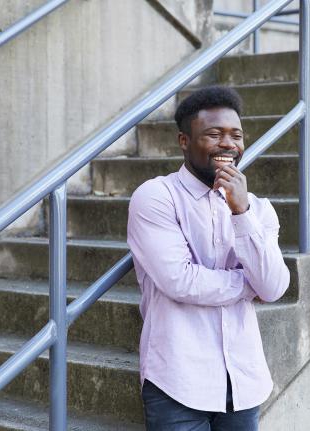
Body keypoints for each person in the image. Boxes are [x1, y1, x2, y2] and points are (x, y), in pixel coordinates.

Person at [127, 85, 291, 430]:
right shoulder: (157, 197)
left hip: (244, 382)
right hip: (178, 381)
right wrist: (248, 286)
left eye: (236, 135)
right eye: (213, 134)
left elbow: (274, 287)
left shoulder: (257, 209)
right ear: (184, 141)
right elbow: (180, 281)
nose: (228, 144)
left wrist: (240, 211)